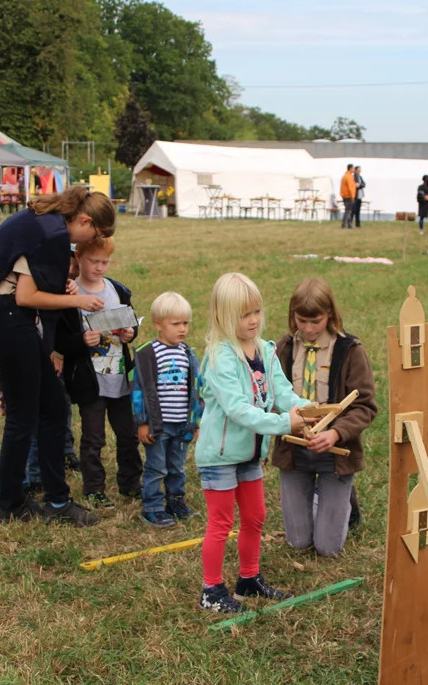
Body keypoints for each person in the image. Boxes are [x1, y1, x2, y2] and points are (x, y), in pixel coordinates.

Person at [0, 186, 116, 526]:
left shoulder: (42, 222)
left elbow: (29, 282)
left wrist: (62, 288)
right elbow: (26, 297)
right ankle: (22, 502)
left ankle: (36, 500)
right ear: (85, 220)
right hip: (5, 322)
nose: (87, 242)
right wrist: (77, 300)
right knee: (27, 416)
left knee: (50, 410)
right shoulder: (52, 235)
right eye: (95, 233)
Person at [195, 273, 311, 613]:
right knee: (220, 521)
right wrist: (283, 423)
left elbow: (284, 393)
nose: (254, 320)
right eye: (244, 314)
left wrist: (312, 410)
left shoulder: (266, 350)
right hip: (219, 455)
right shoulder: (219, 357)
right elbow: (237, 409)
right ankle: (211, 590)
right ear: (223, 316)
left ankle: (249, 578)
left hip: (250, 453)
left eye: (257, 311)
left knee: (256, 515)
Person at [272, 279, 377, 557]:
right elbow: (269, 398)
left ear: (330, 313)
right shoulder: (283, 348)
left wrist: (335, 433)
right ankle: (326, 500)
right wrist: (284, 422)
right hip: (294, 451)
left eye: (315, 321)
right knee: (298, 543)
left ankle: (340, 501)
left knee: (327, 549)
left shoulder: (350, 349)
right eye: (301, 320)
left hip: (335, 454)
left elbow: (365, 405)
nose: (307, 329)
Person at [72, 237, 142, 509]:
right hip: (91, 382)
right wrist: (81, 340)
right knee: (93, 438)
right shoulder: (70, 293)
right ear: (79, 257)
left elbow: (132, 323)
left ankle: (131, 482)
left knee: (128, 434)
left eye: (105, 262)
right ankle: (94, 488)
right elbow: (63, 337)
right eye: (93, 261)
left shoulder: (117, 291)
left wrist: (130, 333)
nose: (99, 267)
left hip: (120, 378)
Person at [131, 291, 204, 528]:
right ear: (158, 325)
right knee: (156, 467)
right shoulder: (148, 354)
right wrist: (142, 422)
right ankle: (152, 507)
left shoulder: (188, 354)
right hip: (157, 426)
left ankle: (175, 501)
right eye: (176, 324)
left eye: (185, 323)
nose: (182, 329)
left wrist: (196, 422)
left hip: (182, 424)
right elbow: (139, 390)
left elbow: (196, 389)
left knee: (177, 467)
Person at [340, 164, 356, 229]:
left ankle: (349, 224)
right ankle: (344, 224)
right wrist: (352, 196)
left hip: (344, 195)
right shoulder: (349, 177)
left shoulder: (345, 176)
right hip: (349, 196)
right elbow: (350, 187)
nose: (354, 170)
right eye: (353, 168)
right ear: (350, 168)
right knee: (348, 211)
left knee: (348, 210)